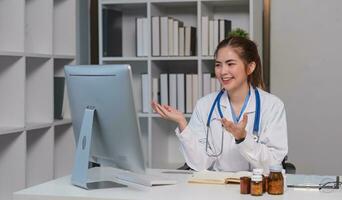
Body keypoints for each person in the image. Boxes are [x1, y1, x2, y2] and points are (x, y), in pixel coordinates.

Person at [151, 36, 288, 172]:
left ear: (250, 67)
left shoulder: (272, 106)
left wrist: (243, 138)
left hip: (256, 189)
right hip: (217, 189)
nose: (223, 72)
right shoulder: (205, 105)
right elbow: (199, 164)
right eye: (218, 65)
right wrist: (182, 123)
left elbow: (273, 163)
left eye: (230, 64)